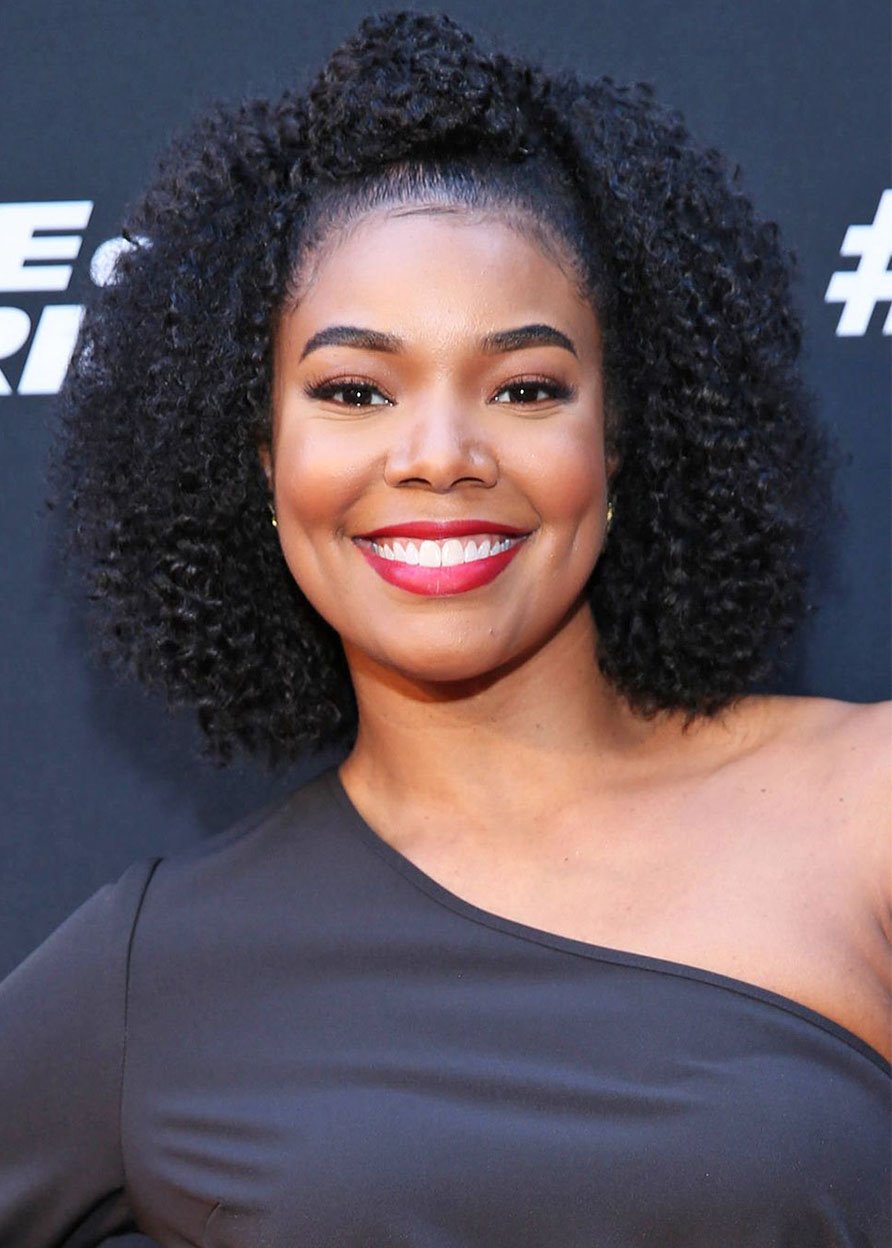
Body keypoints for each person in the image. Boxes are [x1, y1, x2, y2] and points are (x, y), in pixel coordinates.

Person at [1, 9, 888, 1246]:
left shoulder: (864, 808)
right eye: (353, 390)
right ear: (259, 457)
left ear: (617, 441)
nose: (439, 456)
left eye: (523, 387)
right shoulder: (153, 973)